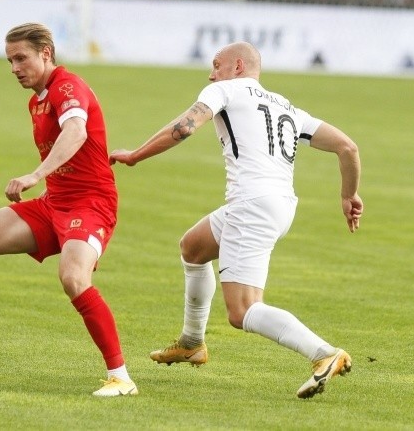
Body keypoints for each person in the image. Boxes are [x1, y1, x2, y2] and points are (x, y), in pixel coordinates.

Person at [109, 41, 362, 399]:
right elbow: (348, 147)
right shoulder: (287, 107)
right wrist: (348, 195)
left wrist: (135, 155)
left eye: (217, 65)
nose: (211, 73)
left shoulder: (223, 90)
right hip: (280, 204)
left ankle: (324, 353)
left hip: (252, 205)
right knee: (193, 248)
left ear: (238, 65)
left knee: (242, 310)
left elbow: (183, 128)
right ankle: (192, 342)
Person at [0, 23, 137, 397]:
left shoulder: (68, 87)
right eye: (9, 61)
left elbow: (77, 132)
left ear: (46, 53)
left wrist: (36, 174)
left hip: (91, 204)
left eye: (22, 58)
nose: (15, 68)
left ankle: (121, 377)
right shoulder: (37, 100)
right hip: (55, 204)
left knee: (73, 277)